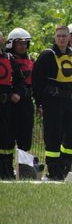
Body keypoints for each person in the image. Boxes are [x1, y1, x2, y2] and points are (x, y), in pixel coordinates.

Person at [32, 25, 72, 180]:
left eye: (64, 36)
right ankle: (53, 170)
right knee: (53, 137)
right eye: (58, 36)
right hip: (51, 101)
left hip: (66, 101)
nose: (61, 39)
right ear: (55, 37)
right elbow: (37, 80)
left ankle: (65, 164)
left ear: (69, 38)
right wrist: (39, 103)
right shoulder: (47, 55)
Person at [5, 28, 35, 158]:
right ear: (12, 44)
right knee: (8, 135)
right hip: (11, 102)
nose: (23, 46)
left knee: (26, 136)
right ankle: (6, 168)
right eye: (19, 43)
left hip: (27, 101)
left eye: (25, 43)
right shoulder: (6, 59)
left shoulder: (31, 60)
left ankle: (23, 167)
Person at [0, 31, 25, 179]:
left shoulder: (9, 58)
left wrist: (17, 93)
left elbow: (19, 80)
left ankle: (6, 170)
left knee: (6, 138)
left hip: (5, 105)